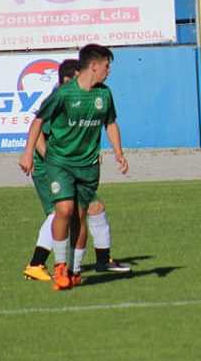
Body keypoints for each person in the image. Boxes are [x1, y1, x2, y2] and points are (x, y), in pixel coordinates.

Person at [19, 44, 129, 291]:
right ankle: (59, 266)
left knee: (80, 216)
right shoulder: (64, 94)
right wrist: (28, 154)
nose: (109, 70)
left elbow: (110, 124)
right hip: (60, 163)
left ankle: (75, 270)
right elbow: (38, 121)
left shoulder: (104, 95)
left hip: (87, 166)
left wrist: (119, 153)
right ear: (94, 66)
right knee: (64, 210)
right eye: (107, 65)